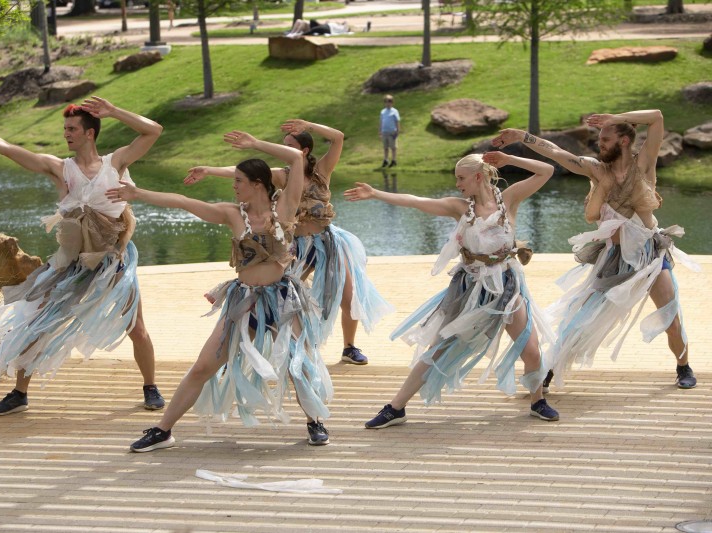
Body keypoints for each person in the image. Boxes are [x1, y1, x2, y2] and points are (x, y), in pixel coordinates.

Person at [0, 97, 166, 415]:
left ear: (89, 133)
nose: (66, 133)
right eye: (65, 128)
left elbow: (154, 131)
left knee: (135, 327)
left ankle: (151, 387)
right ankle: (19, 393)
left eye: (72, 128)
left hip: (113, 263)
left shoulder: (116, 163)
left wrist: (115, 111)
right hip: (71, 266)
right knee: (37, 323)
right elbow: (5, 147)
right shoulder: (60, 169)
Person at [124, 132, 333, 452]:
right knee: (203, 366)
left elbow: (295, 159)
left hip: (280, 299)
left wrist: (255, 144)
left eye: (239, 181)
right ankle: (163, 430)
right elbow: (181, 201)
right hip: (243, 300)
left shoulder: (287, 207)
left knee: (297, 363)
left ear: (258, 184)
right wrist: (138, 193)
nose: (234, 186)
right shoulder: (232, 214)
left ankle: (314, 421)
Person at [344, 152, 560, 428]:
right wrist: (375, 194)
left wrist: (509, 158)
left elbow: (546, 171)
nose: (457, 183)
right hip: (470, 290)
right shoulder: (459, 208)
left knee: (530, 350)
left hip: (507, 287)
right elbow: (417, 202)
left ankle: (537, 401)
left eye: (461, 178)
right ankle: (395, 408)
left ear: (478, 176)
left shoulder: (508, 200)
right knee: (439, 347)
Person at [492, 110, 699, 391]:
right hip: (612, 260)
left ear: (624, 141)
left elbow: (658, 117)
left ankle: (683, 367)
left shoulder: (644, 164)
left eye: (605, 138)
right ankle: (550, 370)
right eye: (599, 139)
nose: (599, 143)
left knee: (670, 317)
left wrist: (615, 116)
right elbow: (555, 152)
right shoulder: (596, 169)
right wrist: (522, 137)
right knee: (579, 320)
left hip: (650, 255)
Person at [185, 119, 394, 365]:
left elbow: (338, 137)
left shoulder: (323, 170)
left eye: (289, 145)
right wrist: (209, 170)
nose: (283, 150)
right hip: (296, 246)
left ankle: (349, 347)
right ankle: (245, 349)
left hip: (327, 243)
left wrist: (309, 125)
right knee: (279, 293)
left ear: (304, 150)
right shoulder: (284, 177)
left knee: (348, 296)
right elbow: (243, 173)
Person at [379, 95, 400, 168]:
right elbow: (381, 122)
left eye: (389, 102)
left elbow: (397, 121)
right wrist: (380, 131)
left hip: (392, 132)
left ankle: (394, 160)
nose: (388, 103)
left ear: (392, 103)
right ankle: (386, 159)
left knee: (393, 147)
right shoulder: (383, 112)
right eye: (386, 102)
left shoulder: (395, 111)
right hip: (384, 131)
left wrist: (398, 130)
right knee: (385, 147)